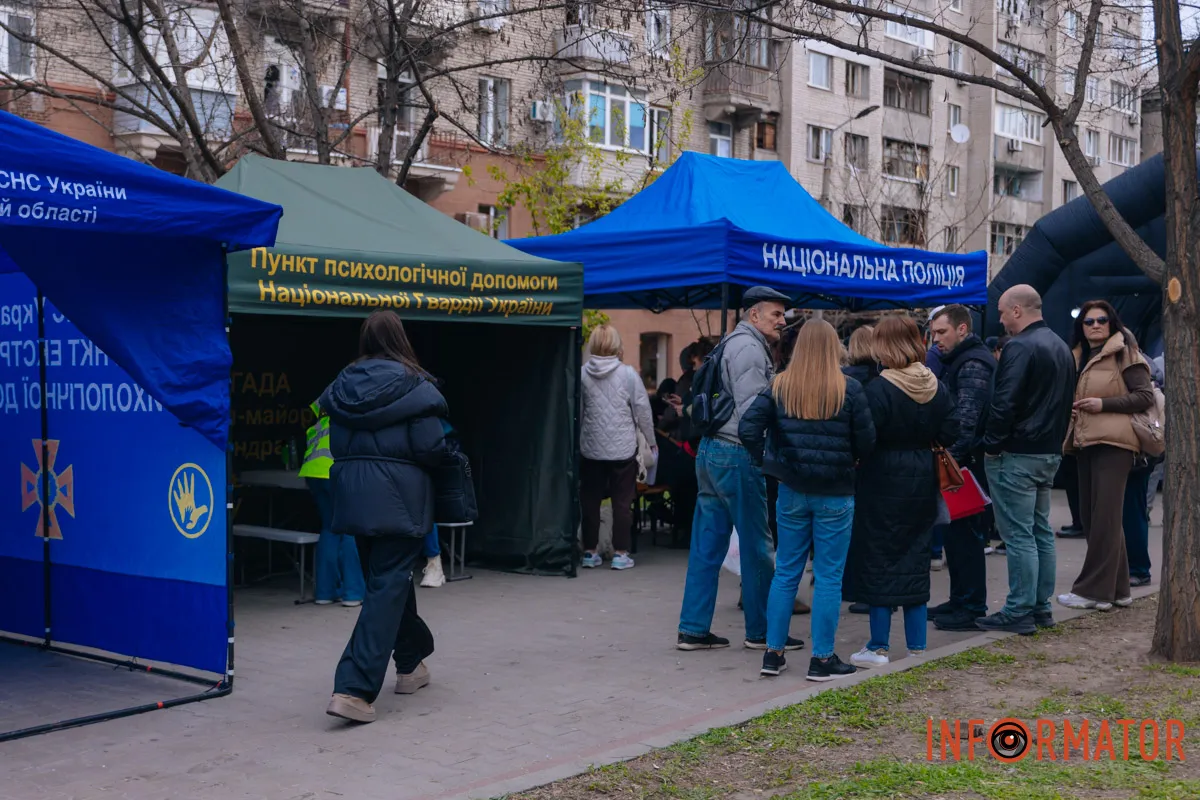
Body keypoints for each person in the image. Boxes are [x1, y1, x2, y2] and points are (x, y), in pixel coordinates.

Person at [324, 310, 451, 724]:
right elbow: (430, 448)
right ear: (400, 339)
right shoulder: (415, 385)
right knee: (386, 585)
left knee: (387, 581)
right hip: (401, 498)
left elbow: (337, 444)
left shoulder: (343, 386)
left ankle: (411, 663)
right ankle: (353, 688)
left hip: (354, 496)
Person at [740, 320, 875, 680]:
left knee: (786, 572)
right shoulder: (849, 389)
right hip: (836, 492)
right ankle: (822, 658)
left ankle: (773, 653)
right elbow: (867, 442)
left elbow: (748, 428)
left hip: (792, 489)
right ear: (834, 347)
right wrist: (851, 459)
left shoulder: (780, 385)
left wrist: (770, 461)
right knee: (829, 577)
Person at [677, 286, 789, 652]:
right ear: (754, 314)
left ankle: (693, 629)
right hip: (736, 453)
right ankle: (763, 632)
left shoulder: (730, 343)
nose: (782, 320)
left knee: (706, 544)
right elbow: (753, 414)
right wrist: (763, 456)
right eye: (776, 314)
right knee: (758, 546)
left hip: (711, 450)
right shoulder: (750, 349)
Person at [847, 315, 958, 669]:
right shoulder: (936, 385)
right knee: (916, 557)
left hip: (882, 478)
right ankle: (917, 646)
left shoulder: (878, 389)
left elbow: (864, 438)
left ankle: (878, 646)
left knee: (880, 559)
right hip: (922, 475)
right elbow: (952, 431)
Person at [976, 285, 1075, 635]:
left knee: (1019, 535)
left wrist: (991, 445)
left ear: (1017, 310)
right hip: (1047, 452)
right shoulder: (1061, 346)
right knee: (1039, 531)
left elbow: (1004, 402)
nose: (1001, 320)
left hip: (1016, 453)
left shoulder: (1019, 346)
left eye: (1003, 312)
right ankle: (1039, 606)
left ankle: (1019, 609)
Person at [1057, 301, 1154, 611]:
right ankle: (1119, 589)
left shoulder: (1124, 351)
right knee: (1093, 516)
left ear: (1112, 323)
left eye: (1101, 320)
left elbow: (1144, 396)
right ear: (1081, 327)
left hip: (1115, 444)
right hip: (1085, 443)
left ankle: (1093, 591)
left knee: (1104, 519)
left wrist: (1103, 404)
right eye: (1089, 321)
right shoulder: (1077, 356)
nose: (1096, 325)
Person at [927, 305, 996, 631]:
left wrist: (947, 460)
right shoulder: (961, 360)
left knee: (966, 537)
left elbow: (966, 421)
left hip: (965, 466)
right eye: (933, 333)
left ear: (962, 329)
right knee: (956, 537)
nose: (936, 339)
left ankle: (970, 605)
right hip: (959, 462)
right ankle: (960, 600)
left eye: (941, 332)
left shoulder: (972, 364)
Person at [579, 324, 656, 571]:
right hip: (622, 449)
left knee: (590, 501)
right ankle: (621, 553)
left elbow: (578, 412)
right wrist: (651, 440)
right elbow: (643, 411)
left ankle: (590, 552)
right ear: (616, 345)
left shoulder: (582, 374)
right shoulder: (628, 374)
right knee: (622, 503)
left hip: (590, 448)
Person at [300, 399, 366, 607]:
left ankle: (325, 592)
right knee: (350, 529)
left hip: (313, 474)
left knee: (329, 528)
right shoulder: (347, 423)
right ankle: (353, 593)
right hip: (336, 474)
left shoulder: (317, 426)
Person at [841, 324, 876, 615]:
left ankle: (848, 583)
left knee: (845, 528)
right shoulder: (881, 380)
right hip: (871, 463)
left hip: (844, 462)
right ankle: (865, 586)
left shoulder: (842, 379)